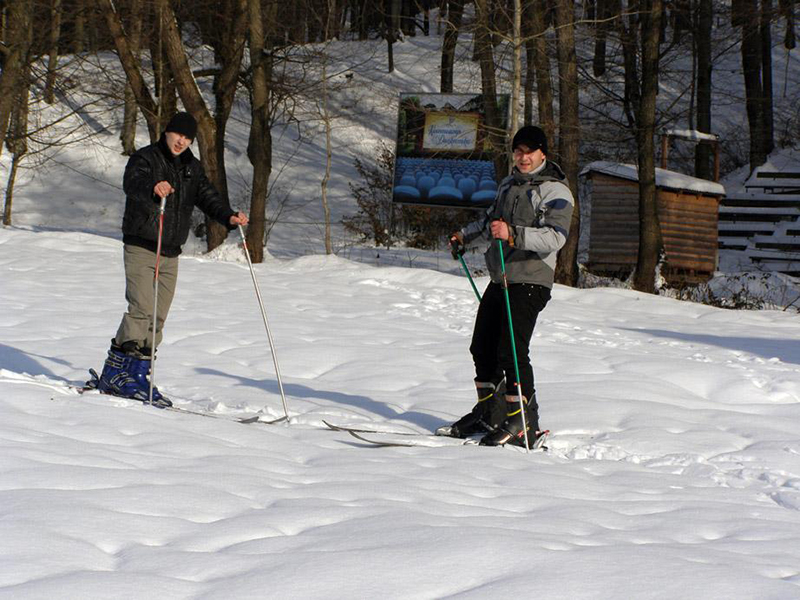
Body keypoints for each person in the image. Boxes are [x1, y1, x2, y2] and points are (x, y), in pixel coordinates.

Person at [93, 112, 249, 406]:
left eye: (188, 138)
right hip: (141, 245)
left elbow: (208, 196)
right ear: (167, 132)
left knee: (158, 317)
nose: (181, 141)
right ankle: (115, 372)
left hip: (171, 251)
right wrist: (153, 187)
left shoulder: (192, 167)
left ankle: (137, 373)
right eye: (178, 135)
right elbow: (133, 183)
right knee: (141, 309)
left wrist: (228, 216)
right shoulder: (146, 158)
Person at [440, 125, 574, 448]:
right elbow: (490, 224)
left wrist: (514, 234)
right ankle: (491, 411)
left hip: (531, 279)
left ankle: (525, 422)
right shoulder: (508, 185)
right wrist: (464, 237)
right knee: (481, 346)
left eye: (530, 151)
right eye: (518, 151)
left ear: (543, 154)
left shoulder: (556, 191)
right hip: (502, 279)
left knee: (512, 351)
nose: (523, 157)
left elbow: (556, 236)